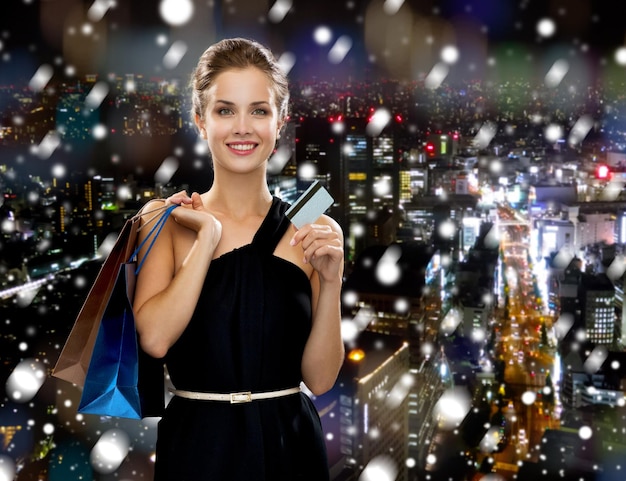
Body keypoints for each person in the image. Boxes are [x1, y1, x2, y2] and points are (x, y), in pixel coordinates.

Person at [132, 37, 345, 480]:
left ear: (280, 122)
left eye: (259, 110)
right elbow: (154, 339)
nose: (243, 127)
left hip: (291, 447)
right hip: (199, 448)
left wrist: (332, 283)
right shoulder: (165, 220)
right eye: (225, 110)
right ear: (200, 121)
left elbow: (321, 380)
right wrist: (207, 236)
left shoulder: (312, 226)